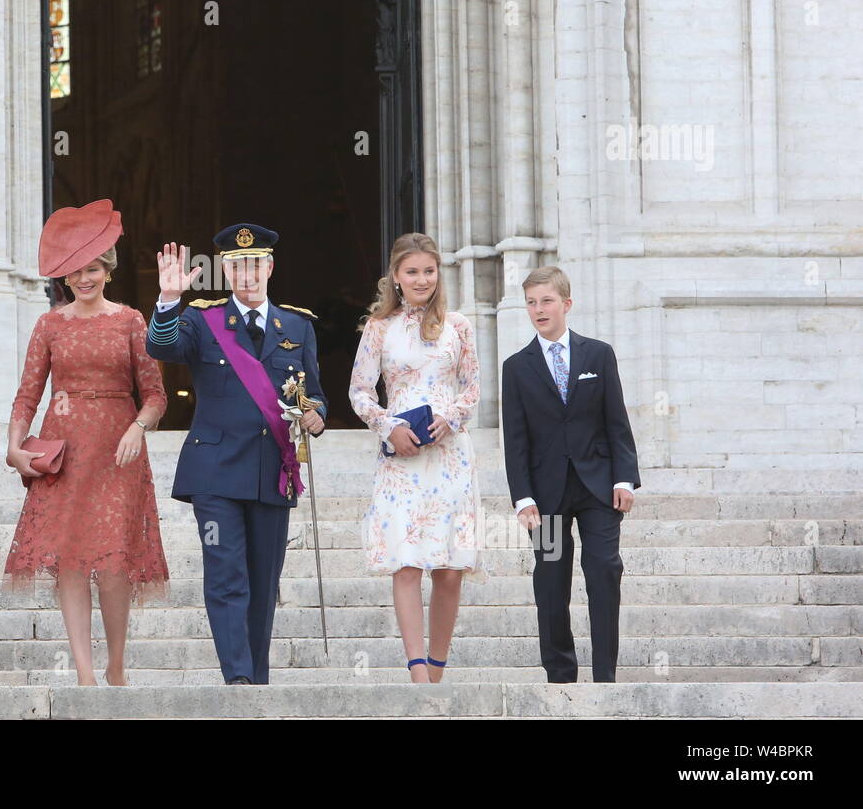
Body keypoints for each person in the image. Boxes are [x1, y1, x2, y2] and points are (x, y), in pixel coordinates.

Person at [146, 224, 326, 685]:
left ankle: (257, 679)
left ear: (269, 267)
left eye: (254, 265)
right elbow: (161, 346)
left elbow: (316, 396)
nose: (246, 275)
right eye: (236, 266)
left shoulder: (297, 325)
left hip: (272, 472)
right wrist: (168, 299)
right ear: (225, 270)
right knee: (226, 576)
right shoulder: (200, 320)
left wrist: (316, 417)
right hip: (215, 475)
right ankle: (238, 680)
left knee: (264, 584)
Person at [5, 199, 169, 686]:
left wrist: (138, 428)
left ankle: (116, 666)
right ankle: (84, 672)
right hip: (64, 452)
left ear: (108, 270)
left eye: (93, 267)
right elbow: (27, 393)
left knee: (115, 561)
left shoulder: (132, 321)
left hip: (119, 450)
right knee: (71, 562)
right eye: (75, 270)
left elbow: (156, 395)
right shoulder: (49, 324)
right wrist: (14, 448)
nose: (85, 278)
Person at [348, 233, 483, 682]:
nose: (421, 279)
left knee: (448, 568)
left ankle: (440, 669)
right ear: (396, 277)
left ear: (438, 273)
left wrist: (451, 418)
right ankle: (417, 674)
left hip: (449, 454)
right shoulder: (379, 328)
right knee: (406, 562)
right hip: (400, 459)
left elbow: (473, 387)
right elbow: (359, 391)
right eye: (412, 271)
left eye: (428, 270)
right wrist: (390, 426)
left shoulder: (459, 325)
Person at [501, 265, 640, 683]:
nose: (538, 309)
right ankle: (560, 675)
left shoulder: (598, 354)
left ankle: (605, 678)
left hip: (598, 489)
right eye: (531, 302)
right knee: (550, 581)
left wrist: (624, 478)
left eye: (546, 301)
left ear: (566, 303)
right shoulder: (516, 366)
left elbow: (616, 420)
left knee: (603, 572)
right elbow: (515, 439)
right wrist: (522, 499)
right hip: (543, 499)